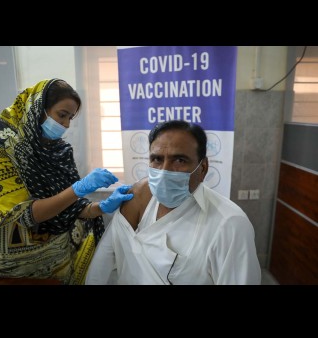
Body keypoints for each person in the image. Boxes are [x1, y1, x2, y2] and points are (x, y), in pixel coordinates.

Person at [0, 78, 133, 285]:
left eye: (70, 118)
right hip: (17, 264)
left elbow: (70, 207)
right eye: (62, 115)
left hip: (59, 258)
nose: (66, 124)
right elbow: (27, 215)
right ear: (39, 108)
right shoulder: (2, 149)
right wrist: (78, 189)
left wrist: (101, 207)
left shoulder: (58, 150)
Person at [85, 120, 261, 285]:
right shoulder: (140, 195)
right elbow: (106, 255)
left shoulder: (229, 224)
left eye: (180, 160)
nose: (164, 171)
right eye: (157, 159)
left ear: (203, 168)